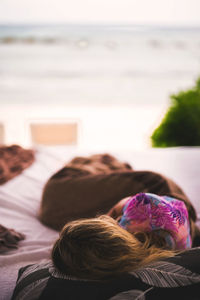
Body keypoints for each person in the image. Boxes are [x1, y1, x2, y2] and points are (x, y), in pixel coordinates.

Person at [52, 193, 191, 280]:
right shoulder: (141, 205)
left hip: (177, 220)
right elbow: (122, 205)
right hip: (173, 211)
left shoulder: (165, 254)